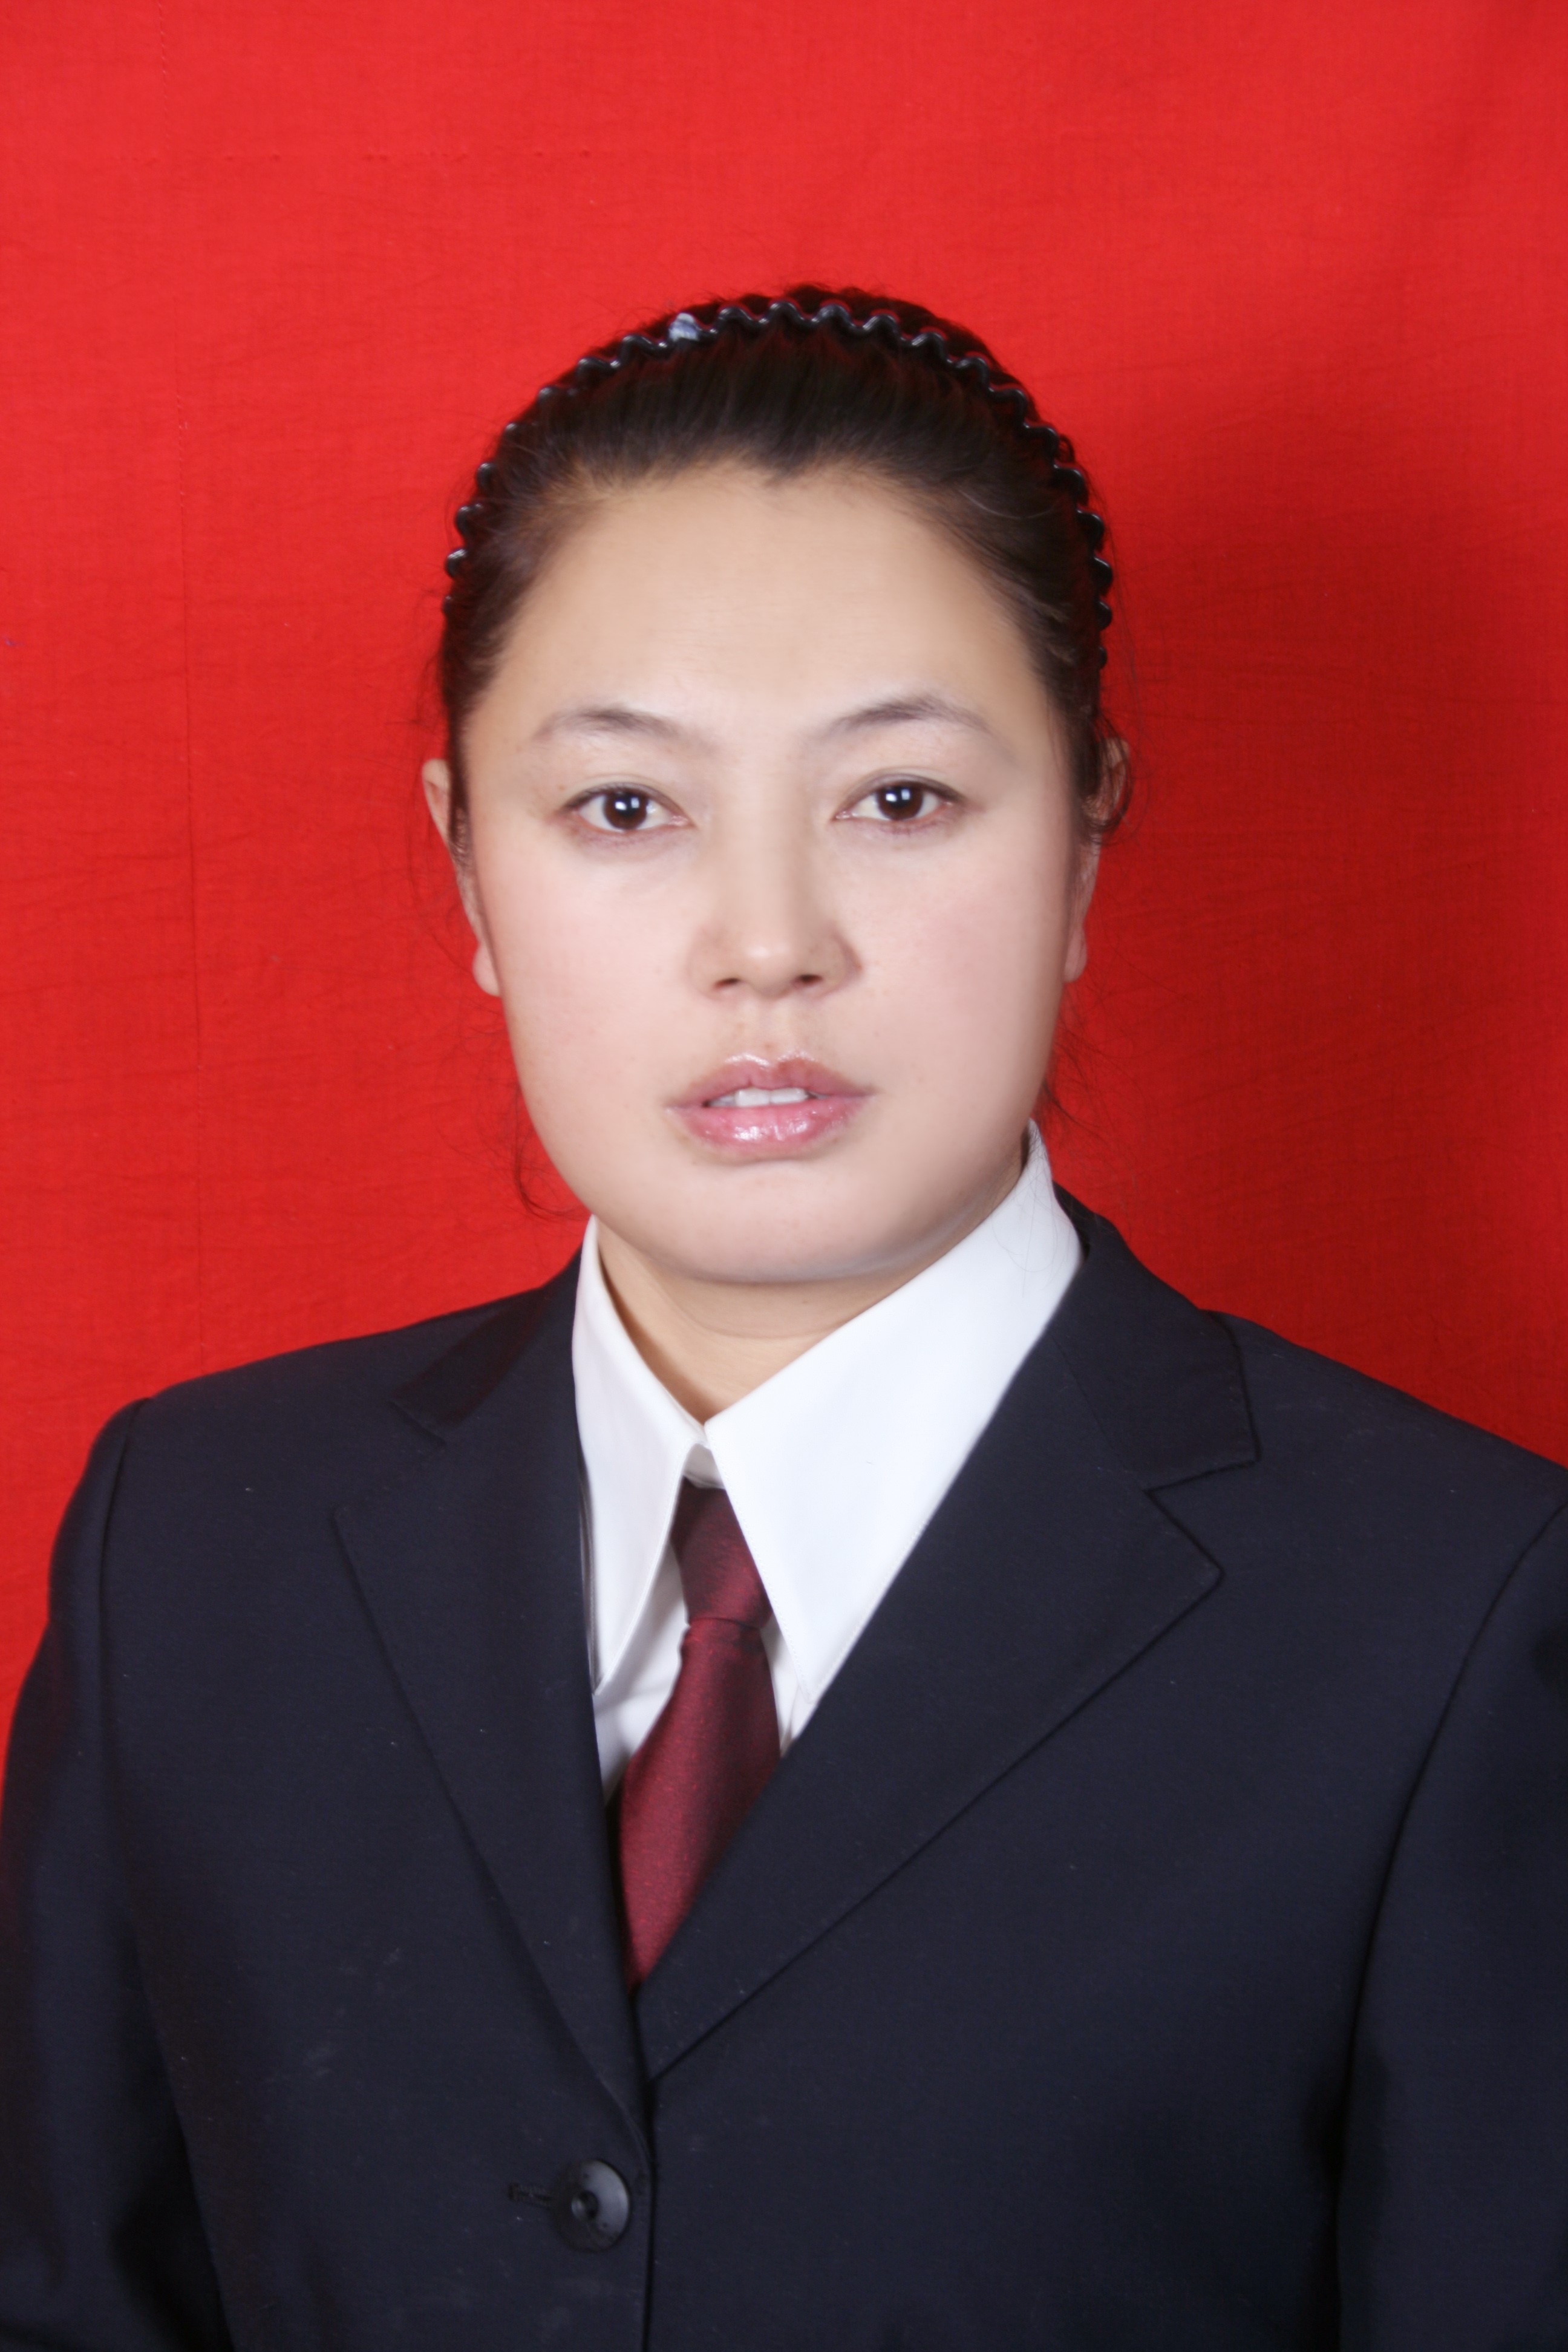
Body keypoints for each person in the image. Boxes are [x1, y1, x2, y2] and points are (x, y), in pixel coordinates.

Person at [1, 288, 1564, 2352]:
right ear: (464, 868)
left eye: (899, 799)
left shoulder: (1458, 1622)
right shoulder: (195, 1547)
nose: (767, 946)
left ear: (1087, 838)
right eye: (624, 809)